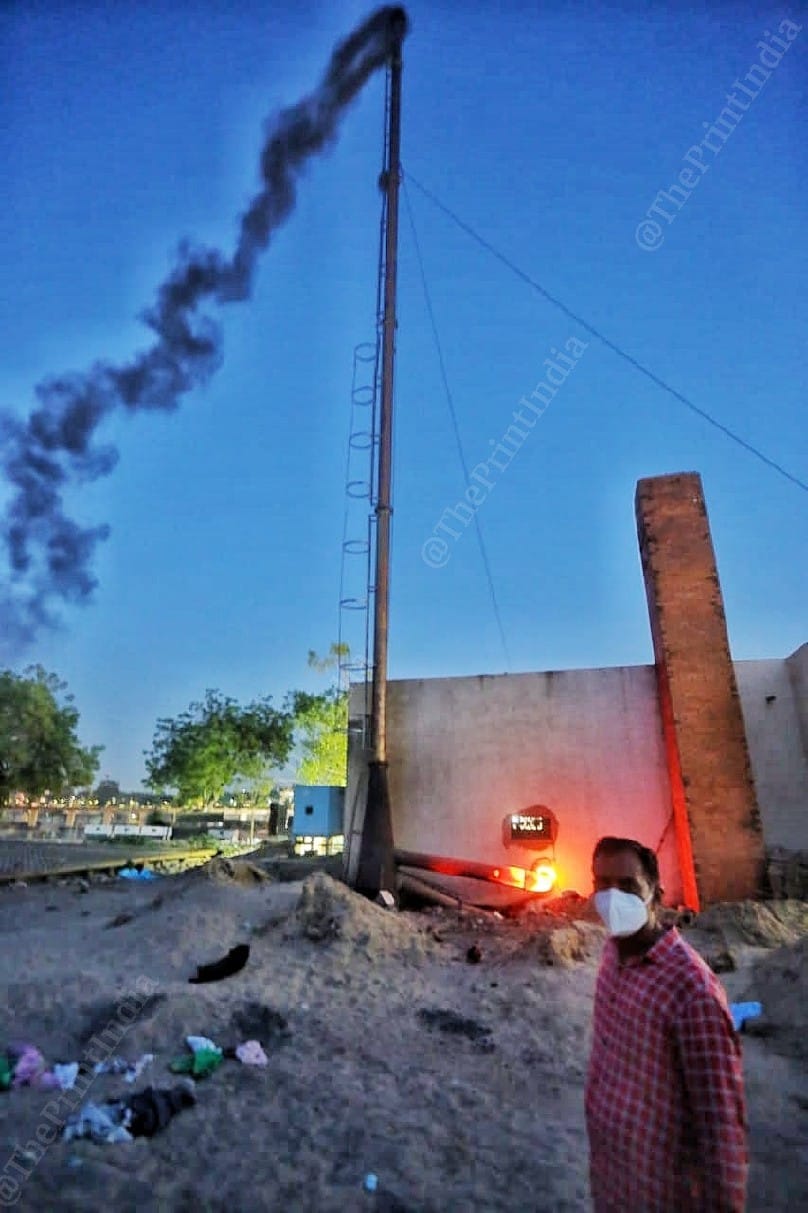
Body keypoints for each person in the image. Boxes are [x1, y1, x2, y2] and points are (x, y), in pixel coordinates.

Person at [585, 835, 748, 1212]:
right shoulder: (612, 956)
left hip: (663, 1192)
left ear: (655, 894)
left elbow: (721, 1124)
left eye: (627, 886)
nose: (612, 898)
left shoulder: (692, 990)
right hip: (613, 1180)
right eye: (602, 885)